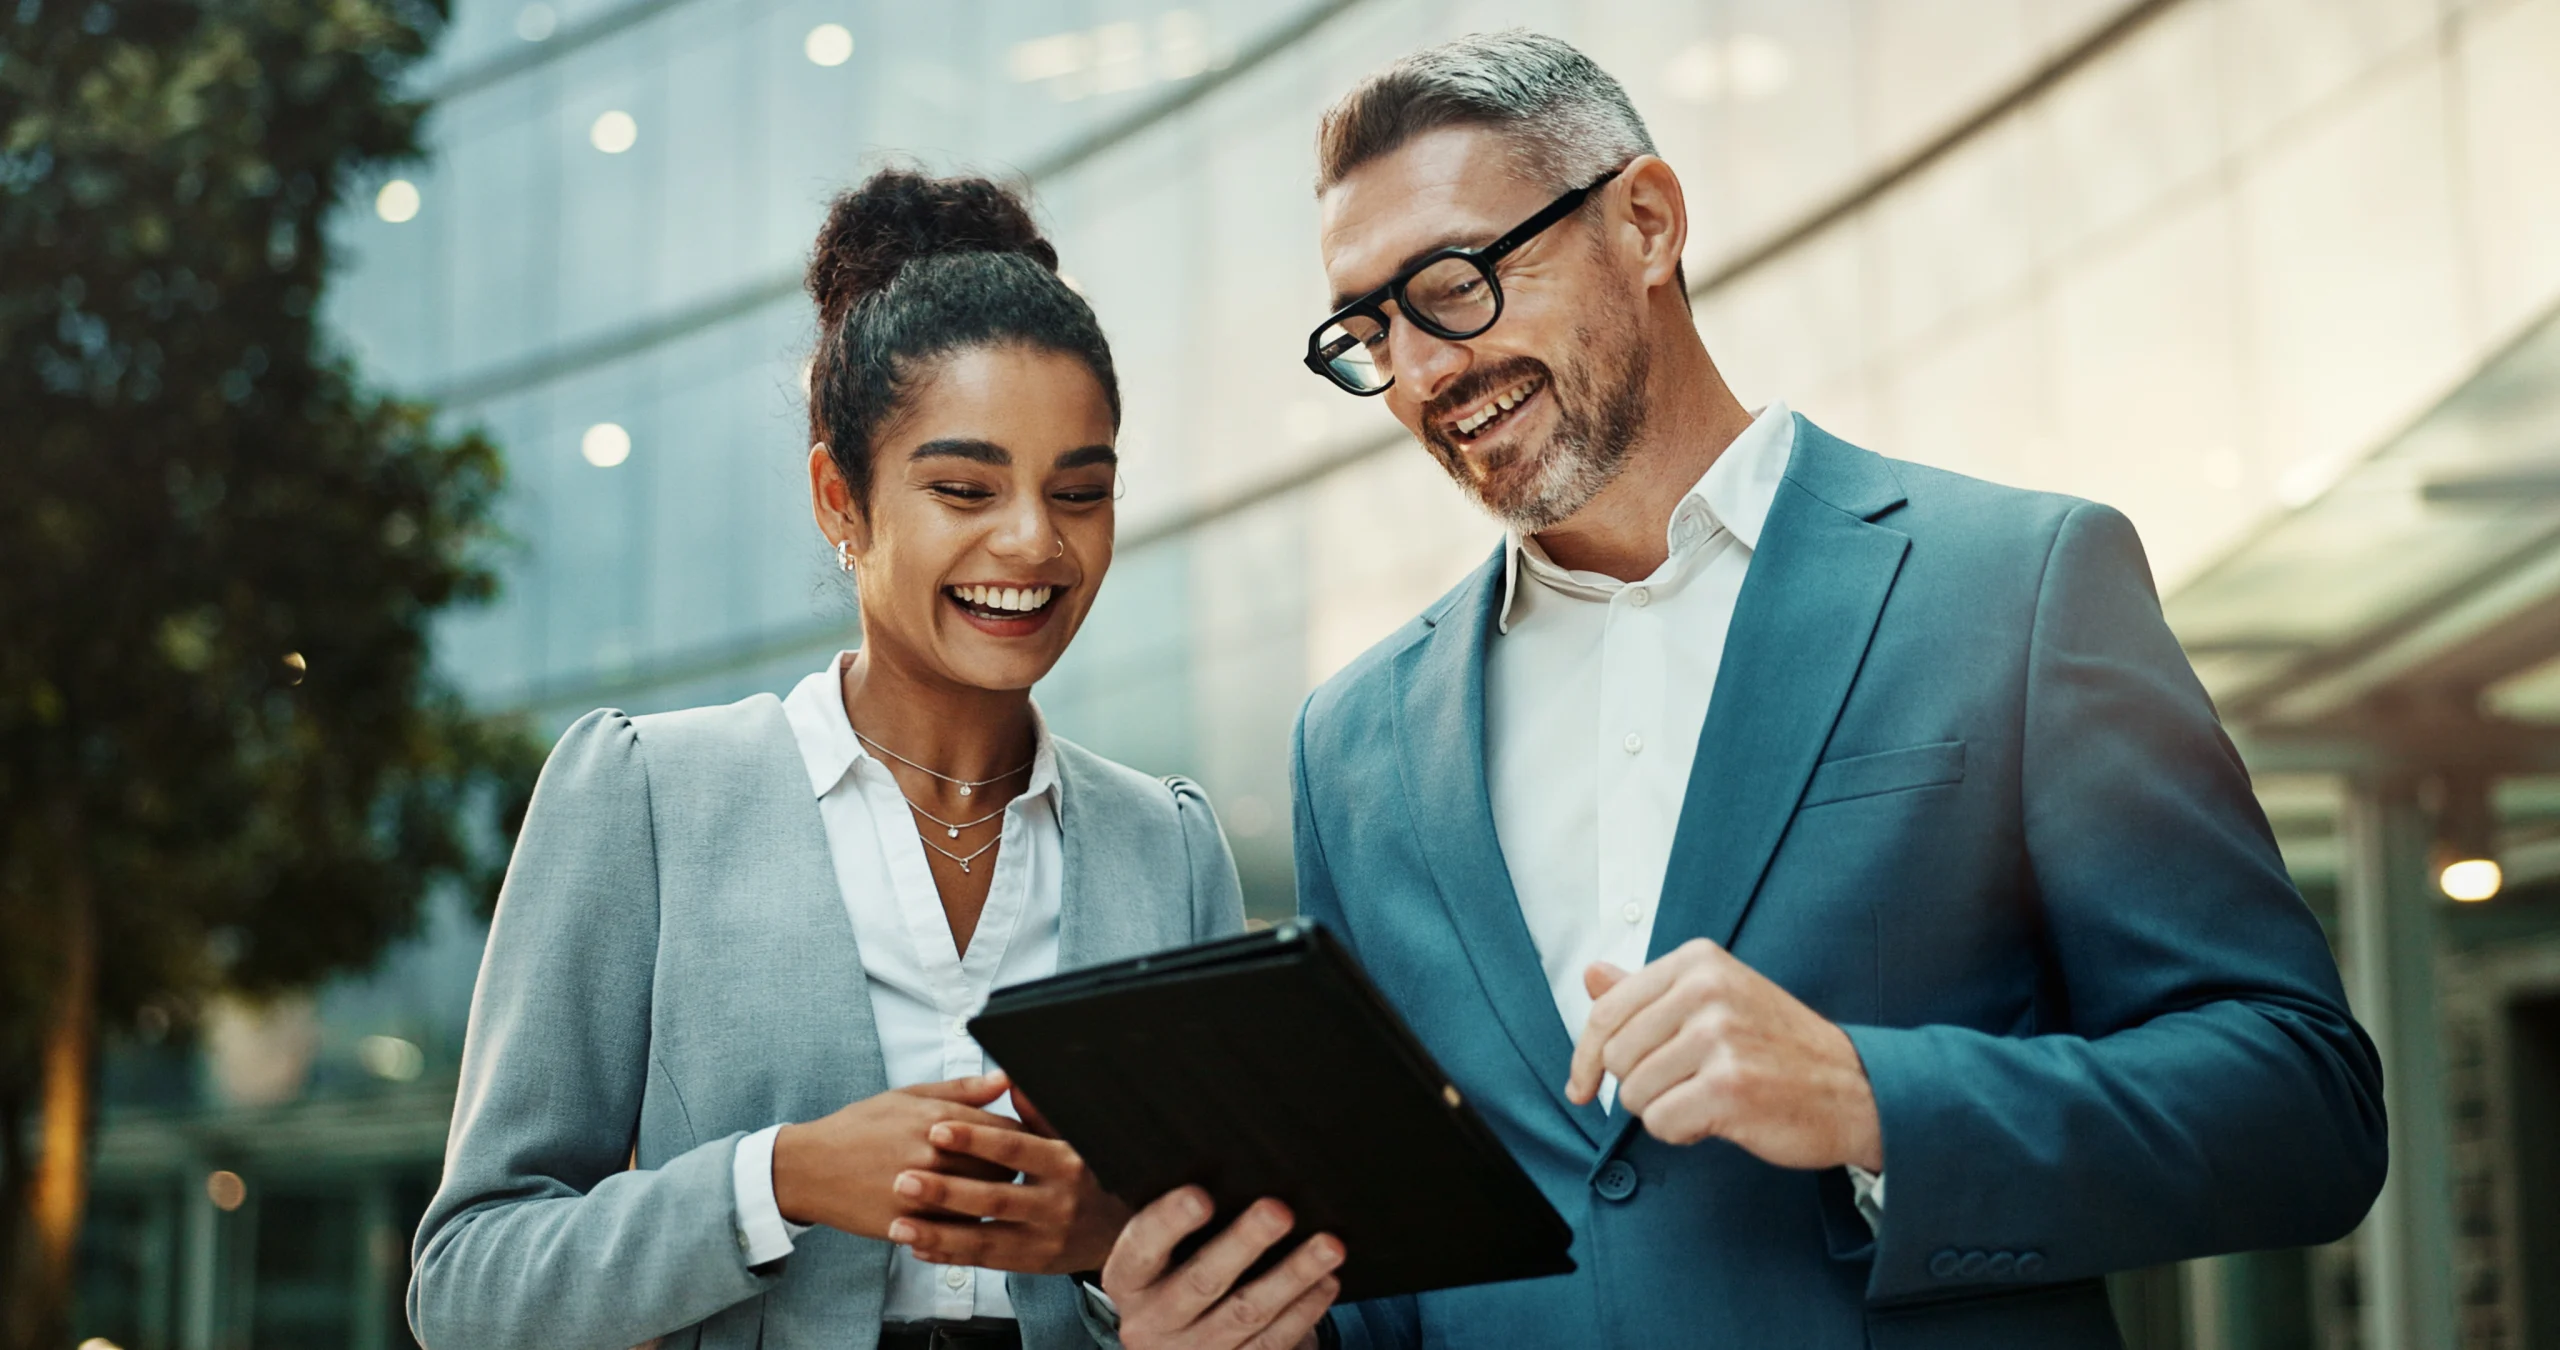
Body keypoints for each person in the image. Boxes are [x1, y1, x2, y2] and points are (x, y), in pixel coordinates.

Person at [1095, 31, 2387, 1350]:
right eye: (1368, 331)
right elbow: (1400, 1264)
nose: (1422, 371)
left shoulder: (2018, 583)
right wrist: (1251, 1323)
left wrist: (1875, 1093)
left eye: (1454, 284)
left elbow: (2301, 1105)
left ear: (1645, 221)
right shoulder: (1351, 741)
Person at [409, 169, 1244, 1350]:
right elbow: (470, 1283)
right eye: (963, 487)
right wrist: (780, 1179)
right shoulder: (648, 796)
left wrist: (1103, 1241)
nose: (1032, 542)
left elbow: (1221, 1268)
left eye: (1081, 492)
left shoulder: (1168, 843)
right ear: (838, 498)